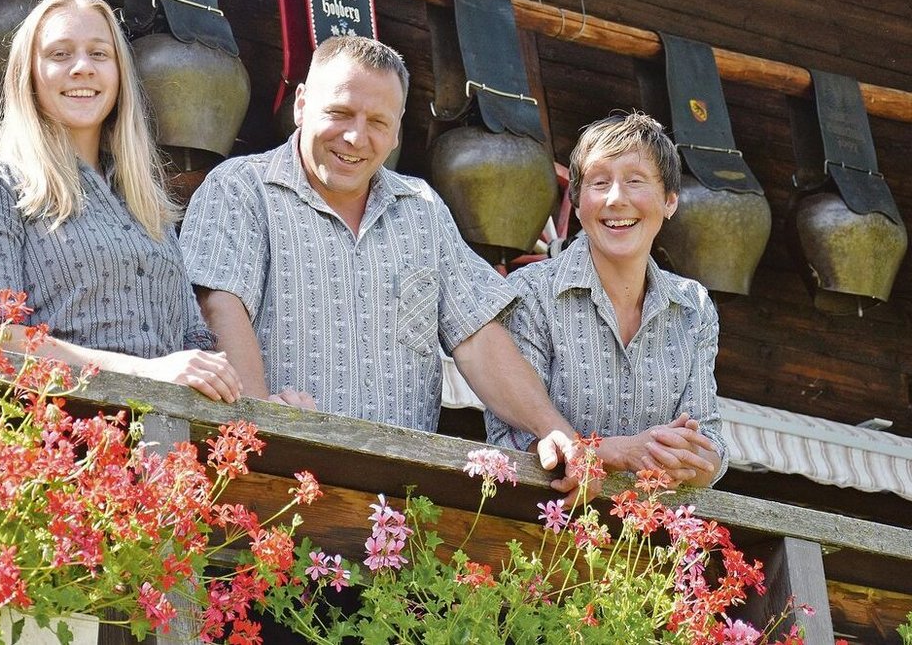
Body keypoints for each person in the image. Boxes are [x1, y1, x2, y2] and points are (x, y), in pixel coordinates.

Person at [181, 34, 577, 480]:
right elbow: (220, 307)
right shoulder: (240, 188)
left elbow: (477, 337)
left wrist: (553, 429)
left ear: (396, 131)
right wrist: (261, 426)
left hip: (394, 500)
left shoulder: (423, 210)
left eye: (377, 122)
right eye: (339, 113)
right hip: (276, 480)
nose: (356, 137)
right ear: (302, 105)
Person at [0, 0, 241, 402]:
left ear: (120, 75)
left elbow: (194, 347)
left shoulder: (146, 205)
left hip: (167, 436)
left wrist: (253, 403)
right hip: (57, 430)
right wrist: (146, 373)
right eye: (60, 54)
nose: (83, 68)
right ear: (28, 74)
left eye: (99, 54)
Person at [485, 112, 726, 487]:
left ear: (670, 201)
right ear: (578, 203)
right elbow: (510, 443)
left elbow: (709, 444)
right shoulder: (530, 291)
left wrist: (689, 460)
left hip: (651, 524)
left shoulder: (693, 307)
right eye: (599, 183)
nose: (615, 199)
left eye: (635, 181)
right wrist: (618, 452)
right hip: (545, 517)